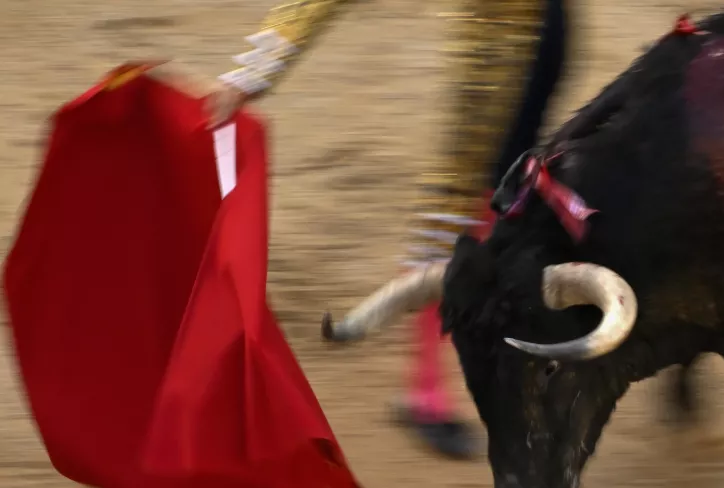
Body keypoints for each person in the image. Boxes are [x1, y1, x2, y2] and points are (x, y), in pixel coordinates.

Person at [207, 0, 571, 460]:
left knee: (506, 190)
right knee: (460, 199)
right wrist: (252, 72)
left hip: (546, 22)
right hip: (494, 31)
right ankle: (424, 392)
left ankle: (500, 367)